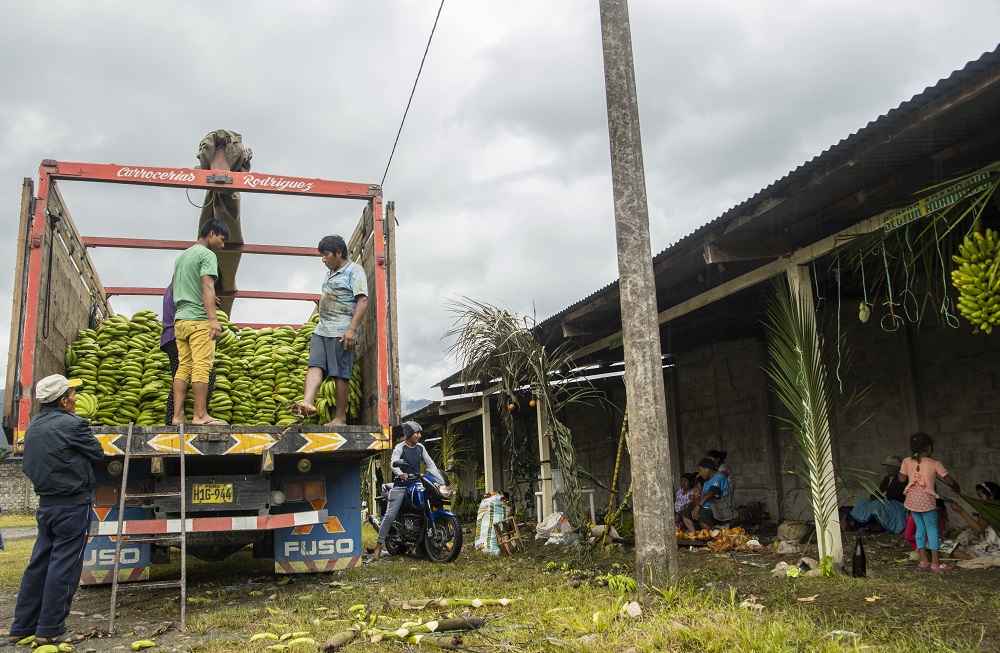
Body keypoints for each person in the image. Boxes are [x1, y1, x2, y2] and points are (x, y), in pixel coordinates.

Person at [7, 374, 103, 647]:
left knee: (39, 564)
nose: (75, 399)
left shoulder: (34, 425)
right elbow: (96, 454)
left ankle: (22, 626)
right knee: (65, 567)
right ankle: (50, 628)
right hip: (71, 505)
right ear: (63, 401)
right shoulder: (73, 425)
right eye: (72, 395)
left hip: (46, 505)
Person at [295, 235, 368, 426]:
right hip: (322, 329)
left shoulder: (354, 271)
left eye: (326, 254)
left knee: (339, 373)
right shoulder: (329, 274)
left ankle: (340, 418)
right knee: (315, 365)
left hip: (341, 330)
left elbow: (363, 300)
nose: (323, 259)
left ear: (338, 253)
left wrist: (352, 329)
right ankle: (308, 402)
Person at [170, 218, 229, 426]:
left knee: (183, 366)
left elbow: (175, 287)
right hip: (198, 320)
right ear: (211, 233)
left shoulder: (182, 256)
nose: (222, 245)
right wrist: (213, 318)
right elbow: (207, 285)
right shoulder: (207, 255)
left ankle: (177, 416)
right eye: (221, 240)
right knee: (202, 366)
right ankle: (200, 416)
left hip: (181, 320)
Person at [370, 421, 441, 561]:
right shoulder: (400, 447)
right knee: (390, 515)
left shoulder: (420, 448)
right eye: (416, 433)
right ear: (408, 434)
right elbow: (393, 463)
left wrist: (437, 474)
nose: (419, 436)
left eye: (420, 433)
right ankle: (378, 547)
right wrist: (400, 473)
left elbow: (430, 464)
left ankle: (424, 544)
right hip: (401, 485)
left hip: (416, 483)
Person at [898, 432, 960, 571]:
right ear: (929, 447)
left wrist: (907, 470)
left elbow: (901, 479)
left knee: (920, 528)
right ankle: (936, 563)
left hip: (912, 501)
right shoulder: (935, 464)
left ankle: (924, 560)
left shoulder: (906, 461)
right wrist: (957, 488)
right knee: (932, 530)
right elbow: (950, 482)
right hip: (926, 501)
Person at [160, 283, 216, 425]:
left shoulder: (172, 288)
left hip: (170, 336)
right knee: (201, 372)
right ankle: (197, 414)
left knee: (180, 373)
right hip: (178, 334)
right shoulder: (184, 290)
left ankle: (176, 417)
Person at [847, 454, 908, 533]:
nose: (887, 468)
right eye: (887, 466)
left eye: (890, 466)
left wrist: (879, 498)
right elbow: (880, 491)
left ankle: (878, 526)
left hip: (898, 504)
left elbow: (893, 494)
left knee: (877, 504)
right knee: (862, 501)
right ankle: (862, 523)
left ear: (897, 467)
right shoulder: (887, 478)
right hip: (887, 500)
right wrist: (873, 496)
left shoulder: (901, 479)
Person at [947, 481, 1000, 560]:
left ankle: (969, 557)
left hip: (991, 550)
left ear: (991, 497)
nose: (979, 499)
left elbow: (979, 528)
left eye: (980, 496)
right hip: (995, 548)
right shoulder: (997, 508)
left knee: (954, 551)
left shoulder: (990, 511)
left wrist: (961, 510)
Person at [680, 458, 734, 533]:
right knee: (685, 512)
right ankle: (695, 535)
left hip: (720, 511)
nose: (699, 473)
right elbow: (701, 498)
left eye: (700, 470)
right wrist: (689, 504)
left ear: (707, 469)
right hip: (709, 510)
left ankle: (711, 537)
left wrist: (698, 506)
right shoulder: (706, 481)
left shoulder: (719, 477)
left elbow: (710, 493)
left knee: (700, 513)